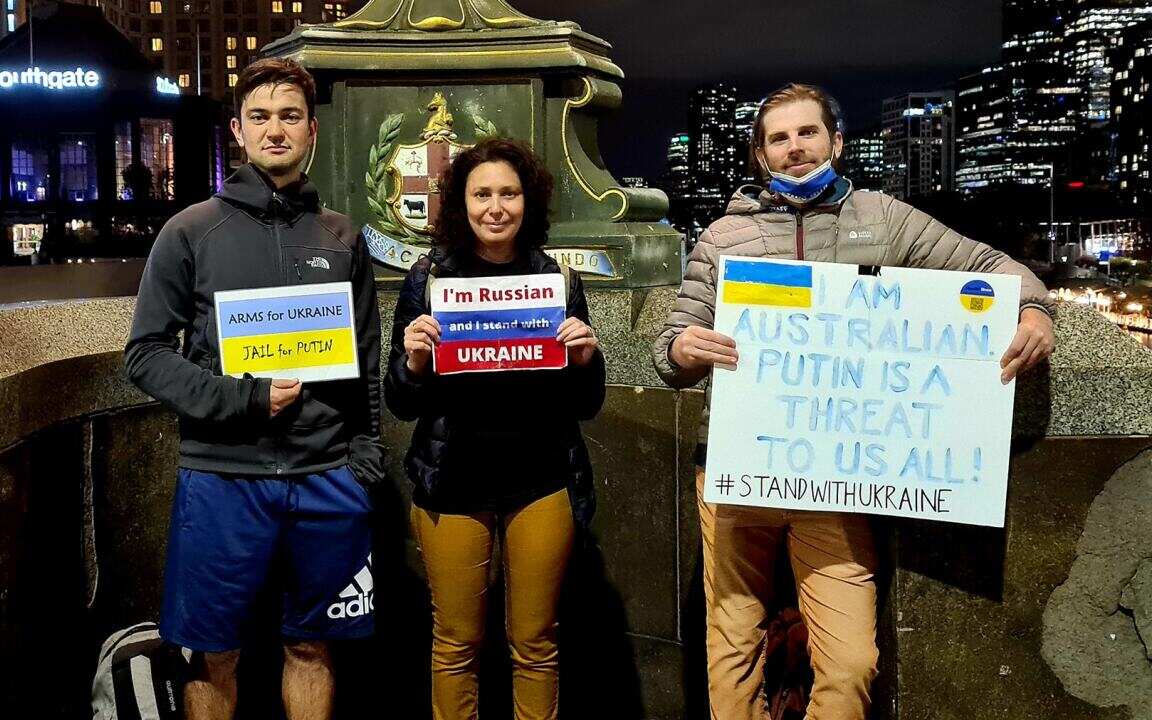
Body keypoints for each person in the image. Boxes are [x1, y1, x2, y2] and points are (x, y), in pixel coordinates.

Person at [653, 83, 1055, 720]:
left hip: (833, 479)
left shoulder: (883, 217)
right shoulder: (723, 235)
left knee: (851, 661)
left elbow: (986, 264)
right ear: (761, 156)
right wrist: (682, 350)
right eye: (778, 139)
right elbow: (671, 341)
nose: (794, 149)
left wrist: (1032, 309)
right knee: (732, 650)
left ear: (836, 142)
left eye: (807, 133)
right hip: (738, 472)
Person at [124, 57, 382, 720]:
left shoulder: (343, 236)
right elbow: (146, 355)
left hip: (326, 473)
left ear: (312, 130)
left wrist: (364, 457)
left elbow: (366, 363)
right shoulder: (188, 231)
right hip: (222, 476)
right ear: (236, 131)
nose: (276, 130)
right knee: (214, 653)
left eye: (290, 116)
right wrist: (243, 399)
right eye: (261, 117)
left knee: (312, 648)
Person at [384, 137, 606, 720]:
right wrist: (412, 361)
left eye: (510, 193)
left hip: (541, 482)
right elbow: (400, 402)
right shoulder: (429, 279)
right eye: (482, 194)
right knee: (455, 643)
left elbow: (586, 404)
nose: (496, 207)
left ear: (528, 202)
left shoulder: (557, 281)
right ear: (461, 203)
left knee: (536, 644)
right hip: (452, 484)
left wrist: (585, 357)